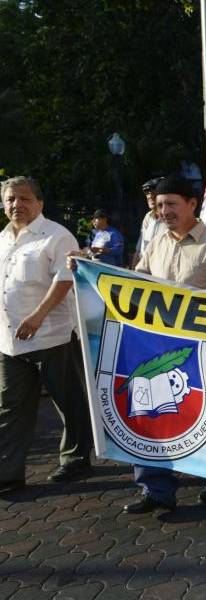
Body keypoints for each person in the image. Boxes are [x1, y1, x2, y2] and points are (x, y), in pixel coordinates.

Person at [123, 175, 206, 514]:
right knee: (152, 414)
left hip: (204, 351)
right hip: (156, 348)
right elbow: (136, 284)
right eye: (160, 205)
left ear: (192, 204)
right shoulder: (156, 243)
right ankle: (155, 490)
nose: (164, 211)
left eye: (172, 204)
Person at [0, 176, 94, 496]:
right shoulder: (2, 238)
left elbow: (65, 279)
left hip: (52, 336)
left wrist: (38, 315)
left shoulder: (56, 236)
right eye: (11, 199)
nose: (17, 205)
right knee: (10, 405)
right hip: (9, 340)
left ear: (39, 203)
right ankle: (8, 473)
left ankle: (76, 458)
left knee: (68, 400)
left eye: (24, 199)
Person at [133, 177, 165, 267]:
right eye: (147, 193)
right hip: (144, 269)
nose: (149, 196)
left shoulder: (172, 218)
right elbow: (140, 248)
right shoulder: (148, 217)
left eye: (154, 192)